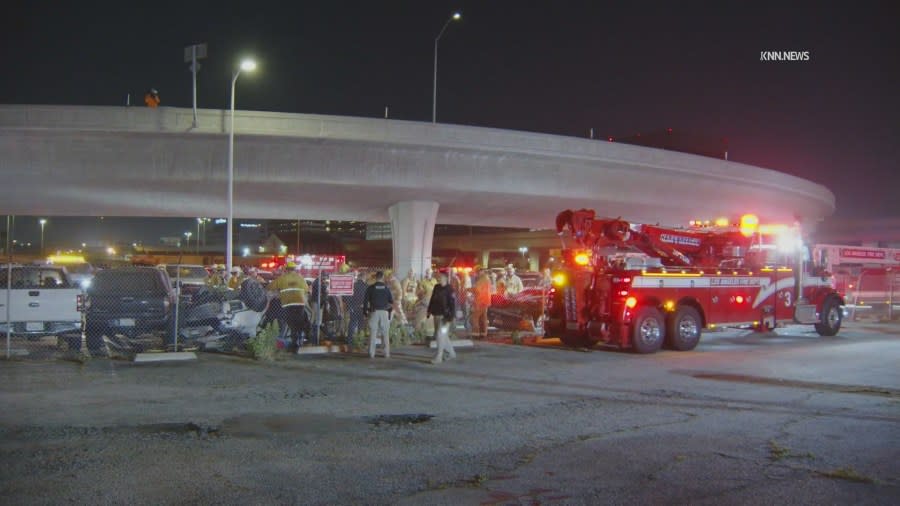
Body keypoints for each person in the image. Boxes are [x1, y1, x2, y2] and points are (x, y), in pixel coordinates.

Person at [268, 262, 310, 351]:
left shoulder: (282, 278)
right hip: (300, 303)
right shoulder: (300, 278)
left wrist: (279, 291)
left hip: (288, 304)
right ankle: (299, 341)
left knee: (291, 323)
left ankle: (294, 344)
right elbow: (306, 289)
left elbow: (270, 287)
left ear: (286, 269)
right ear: (295, 269)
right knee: (298, 323)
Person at [427, 273, 456, 364]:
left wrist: (451, 317)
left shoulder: (450, 289)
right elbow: (432, 299)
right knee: (441, 335)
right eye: (439, 277)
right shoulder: (436, 287)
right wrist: (429, 310)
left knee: (440, 334)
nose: (439, 278)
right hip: (436, 315)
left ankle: (439, 356)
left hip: (445, 317)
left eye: (441, 277)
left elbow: (453, 304)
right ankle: (451, 353)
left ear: (446, 278)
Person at [364, 271, 393, 359]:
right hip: (384, 312)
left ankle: (371, 353)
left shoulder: (371, 288)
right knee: (385, 333)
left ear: (376, 277)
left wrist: (365, 312)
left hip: (374, 312)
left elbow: (365, 301)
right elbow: (391, 301)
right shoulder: (386, 288)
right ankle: (386, 353)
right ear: (382, 277)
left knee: (373, 333)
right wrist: (389, 312)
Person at [345, 271, 368, 346]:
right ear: (363, 277)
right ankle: (359, 340)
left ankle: (350, 340)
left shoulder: (353, 285)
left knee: (352, 323)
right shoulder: (366, 286)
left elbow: (346, 296)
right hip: (362, 308)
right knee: (361, 324)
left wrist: (350, 306)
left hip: (354, 308)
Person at [470, 270, 492, 338]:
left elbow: (477, 290)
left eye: (477, 272)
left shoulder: (482, 280)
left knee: (475, 317)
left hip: (480, 301)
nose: (477, 274)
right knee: (483, 318)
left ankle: (475, 334)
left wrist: (467, 289)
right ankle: (483, 333)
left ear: (481, 272)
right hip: (485, 301)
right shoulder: (487, 279)